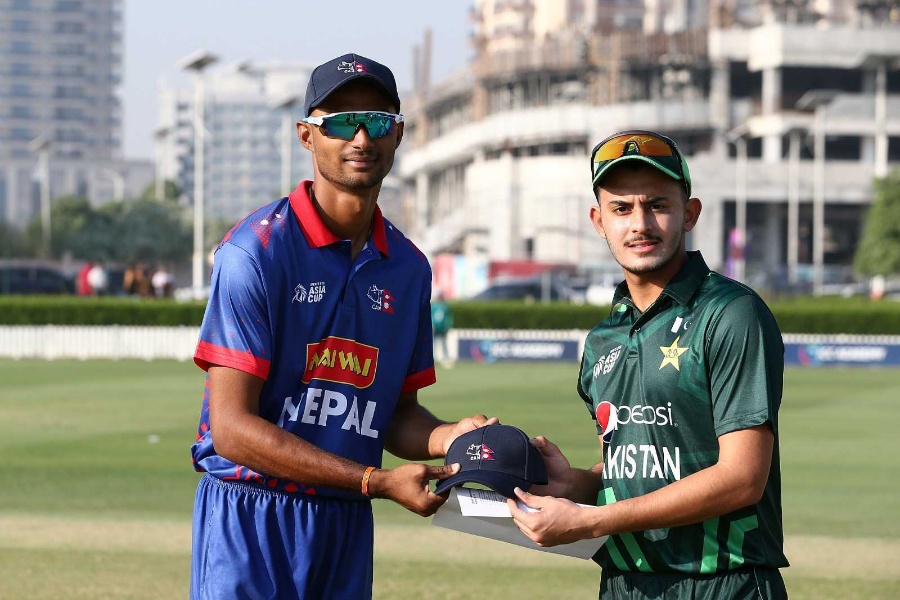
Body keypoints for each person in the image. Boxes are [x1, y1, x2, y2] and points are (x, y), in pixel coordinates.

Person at [189, 53, 495, 599]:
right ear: (307, 136)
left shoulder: (408, 268)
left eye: (376, 120)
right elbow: (231, 430)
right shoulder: (255, 252)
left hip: (344, 522)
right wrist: (375, 481)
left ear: (397, 134)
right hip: (250, 518)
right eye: (340, 122)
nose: (360, 137)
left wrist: (449, 436)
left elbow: (395, 416)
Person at [508, 130, 788, 599]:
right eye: (621, 208)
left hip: (723, 583)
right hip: (624, 584)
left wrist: (592, 521)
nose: (640, 224)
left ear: (690, 213)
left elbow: (742, 479)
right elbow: (641, 463)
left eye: (657, 205)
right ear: (598, 221)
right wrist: (576, 484)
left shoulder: (730, 312)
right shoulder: (603, 339)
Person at [431, 289, 455, 368]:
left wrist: (447, 326)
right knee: (433, 344)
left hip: (443, 329)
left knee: (444, 343)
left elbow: (448, 318)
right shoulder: (434, 307)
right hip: (435, 328)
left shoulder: (445, 307)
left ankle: (446, 358)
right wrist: (432, 325)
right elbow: (431, 317)